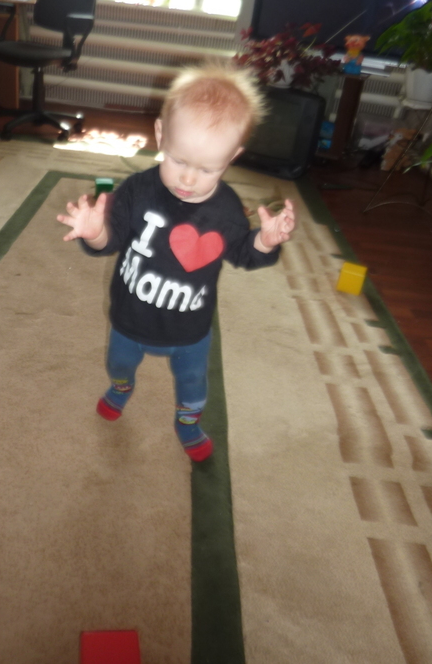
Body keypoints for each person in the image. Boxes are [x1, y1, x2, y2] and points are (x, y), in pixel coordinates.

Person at [57, 63, 296, 461]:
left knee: (193, 381)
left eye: (207, 169)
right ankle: (120, 388)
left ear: (232, 156)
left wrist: (265, 241)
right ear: (161, 135)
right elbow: (110, 241)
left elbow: (244, 253)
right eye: (179, 160)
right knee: (119, 363)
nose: (188, 179)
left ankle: (187, 423)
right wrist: (94, 231)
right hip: (130, 318)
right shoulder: (137, 190)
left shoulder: (227, 210)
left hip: (190, 329)